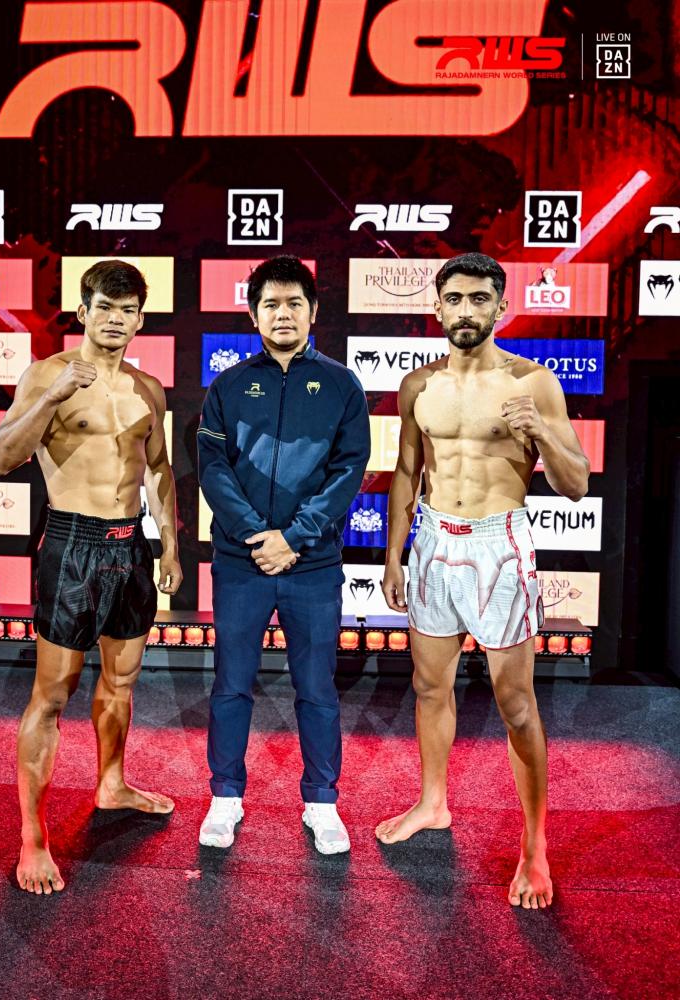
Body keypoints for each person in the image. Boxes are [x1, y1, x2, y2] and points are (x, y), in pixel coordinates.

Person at [377, 252, 590, 909]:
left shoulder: (534, 383)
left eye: (479, 299)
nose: (466, 310)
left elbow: (576, 485)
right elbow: (407, 472)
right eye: (455, 299)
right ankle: (433, 803)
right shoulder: (418, 385)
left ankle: (535, 847)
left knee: (516, 704)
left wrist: (542, 434)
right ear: (437, 308)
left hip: (501, 544)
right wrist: (394, 556)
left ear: (501, 307)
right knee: (429, 686)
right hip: (434, 544)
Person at [0, 259, 182, 894]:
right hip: (72, 542)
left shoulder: (148, 389)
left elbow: (159, 470)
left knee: (121, 682)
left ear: (140, 320)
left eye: (128, 311)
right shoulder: (47, 374)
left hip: (131, 548)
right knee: (52, 694)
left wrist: (170, 547)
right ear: (83, 312)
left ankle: (112, 784)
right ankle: (33, 837)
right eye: (105, 308)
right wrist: (51, 398)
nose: (116, 320)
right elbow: (1, 457)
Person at [197, 255, 370, 853]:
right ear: (253, 314)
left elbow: (348, 470)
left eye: (295, 303)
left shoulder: (342, 385)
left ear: (313, 311)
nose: (283, 314)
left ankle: (322, 802)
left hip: (311, 564)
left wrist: (294, 538)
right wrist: (257, 535)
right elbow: (213, 468)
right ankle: (225, 796)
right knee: (231, 684)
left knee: (317, 688)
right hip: (241, 561)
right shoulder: (227, 385)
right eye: (270, 304)